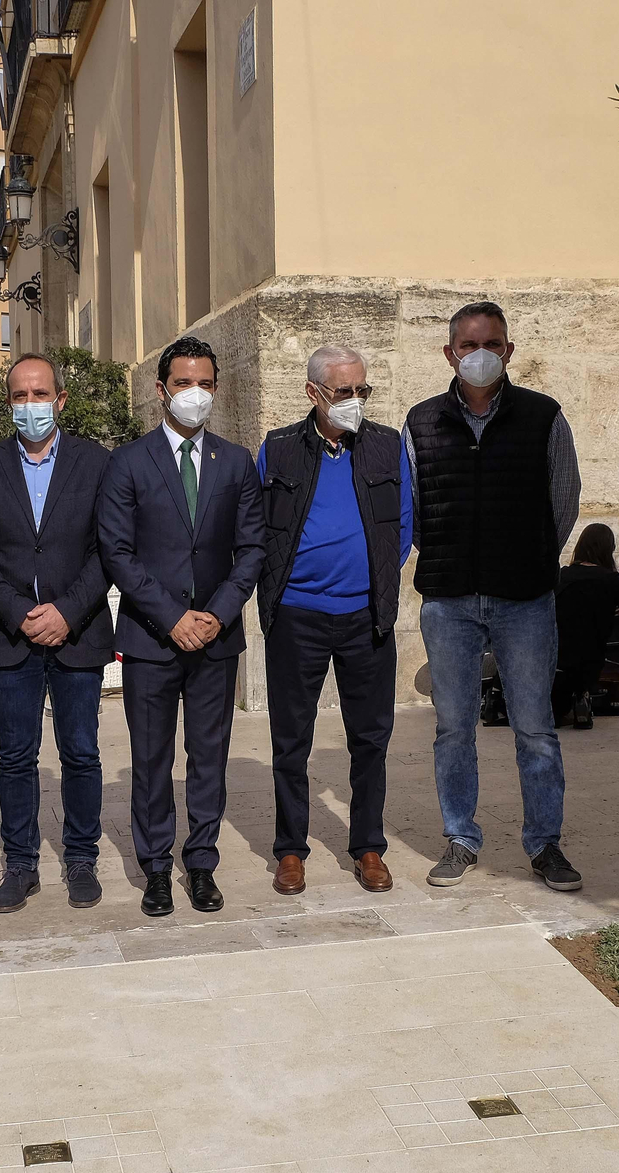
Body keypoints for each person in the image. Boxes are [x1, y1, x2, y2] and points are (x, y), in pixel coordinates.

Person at [404, 302, 582, 893]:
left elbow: (564, 501)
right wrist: (448, 555)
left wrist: (530, 559)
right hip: (449, 600)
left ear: (509, 350)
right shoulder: (421, 421)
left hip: (524, 599)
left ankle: (545, 845)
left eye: (493, 344)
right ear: (449, 352)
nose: (480, 354)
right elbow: (417, 509)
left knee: (534, 729)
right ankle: (460, 838)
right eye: (468, 344)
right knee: (453, 728)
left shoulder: (543, 416)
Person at [98, 336, 264, 917]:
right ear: (161, 387)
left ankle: (201, 864)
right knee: (150, 758)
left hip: (216, 640)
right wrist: (173, 618)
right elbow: (118, 552)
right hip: (151, 639)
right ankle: (156, 868)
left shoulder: (237, 462)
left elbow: (252, 549)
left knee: (209, 756)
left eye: (206, 383)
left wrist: (216, 614)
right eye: (184, 382)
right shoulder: (127, 462)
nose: (196, 393)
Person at [0, 353, 116, 913]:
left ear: (61, 400)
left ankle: (80, 859)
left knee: (81, 753)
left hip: (79, 634)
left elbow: (109, 550)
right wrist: (24, 612)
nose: (31, 405)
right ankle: (20, 863)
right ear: (8, 404)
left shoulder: (97, 464)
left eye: (40, 394)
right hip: (9, 636)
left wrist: (66, 612)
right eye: (20, 397)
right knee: (15, 756)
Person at [256, 344, 411, 896]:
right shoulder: (277, 449)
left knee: (371, 738)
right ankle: (290, 851)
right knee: (290, 741)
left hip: (366, 618)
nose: (353, 401)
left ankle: (368, 846)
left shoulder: (388, 447)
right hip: (296, 616)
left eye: (361, 390)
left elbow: (403, 527)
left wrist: (369, 577)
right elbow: (260, 526)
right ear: (313, 393)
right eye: (342, 391)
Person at [552, 523, 619, 730]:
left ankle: (569, 701)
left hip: (555, 661)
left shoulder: (561, 577)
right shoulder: (610, 581)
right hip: (591, 661)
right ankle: (582, 693)